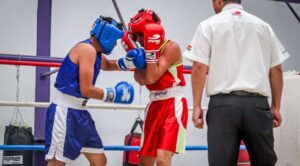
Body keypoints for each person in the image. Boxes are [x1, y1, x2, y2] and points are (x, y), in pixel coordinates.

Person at [184, 0, 290, 165]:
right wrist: (276, 107)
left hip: (222, 106)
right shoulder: (263, 26)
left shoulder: (208, 25)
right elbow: (276, 70)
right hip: (257, 105)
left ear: (219, 1)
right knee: (265, 163)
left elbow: (199, 66)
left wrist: (196, 105)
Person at [45, 16, 144, 166]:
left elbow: (109, 65)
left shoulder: (95, 52)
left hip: (80, 112)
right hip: (65, 112)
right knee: (56, 163)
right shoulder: (87, 50)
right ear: (107, 36)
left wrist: (128, 62)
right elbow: (86, 89)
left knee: (99, 161)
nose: (116, 44)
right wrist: (113, 95)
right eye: (116, 40)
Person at [121, 9, 188, 166]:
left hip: (172, 103)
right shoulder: (142, 51)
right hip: (154, 104)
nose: (137, 39)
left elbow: (150, 77)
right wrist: (135, 56)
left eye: (139, 34)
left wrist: (149, 53)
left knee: (163, 158)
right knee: (145, 159)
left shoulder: (171, 48)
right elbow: (140, 79)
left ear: (148, 32)